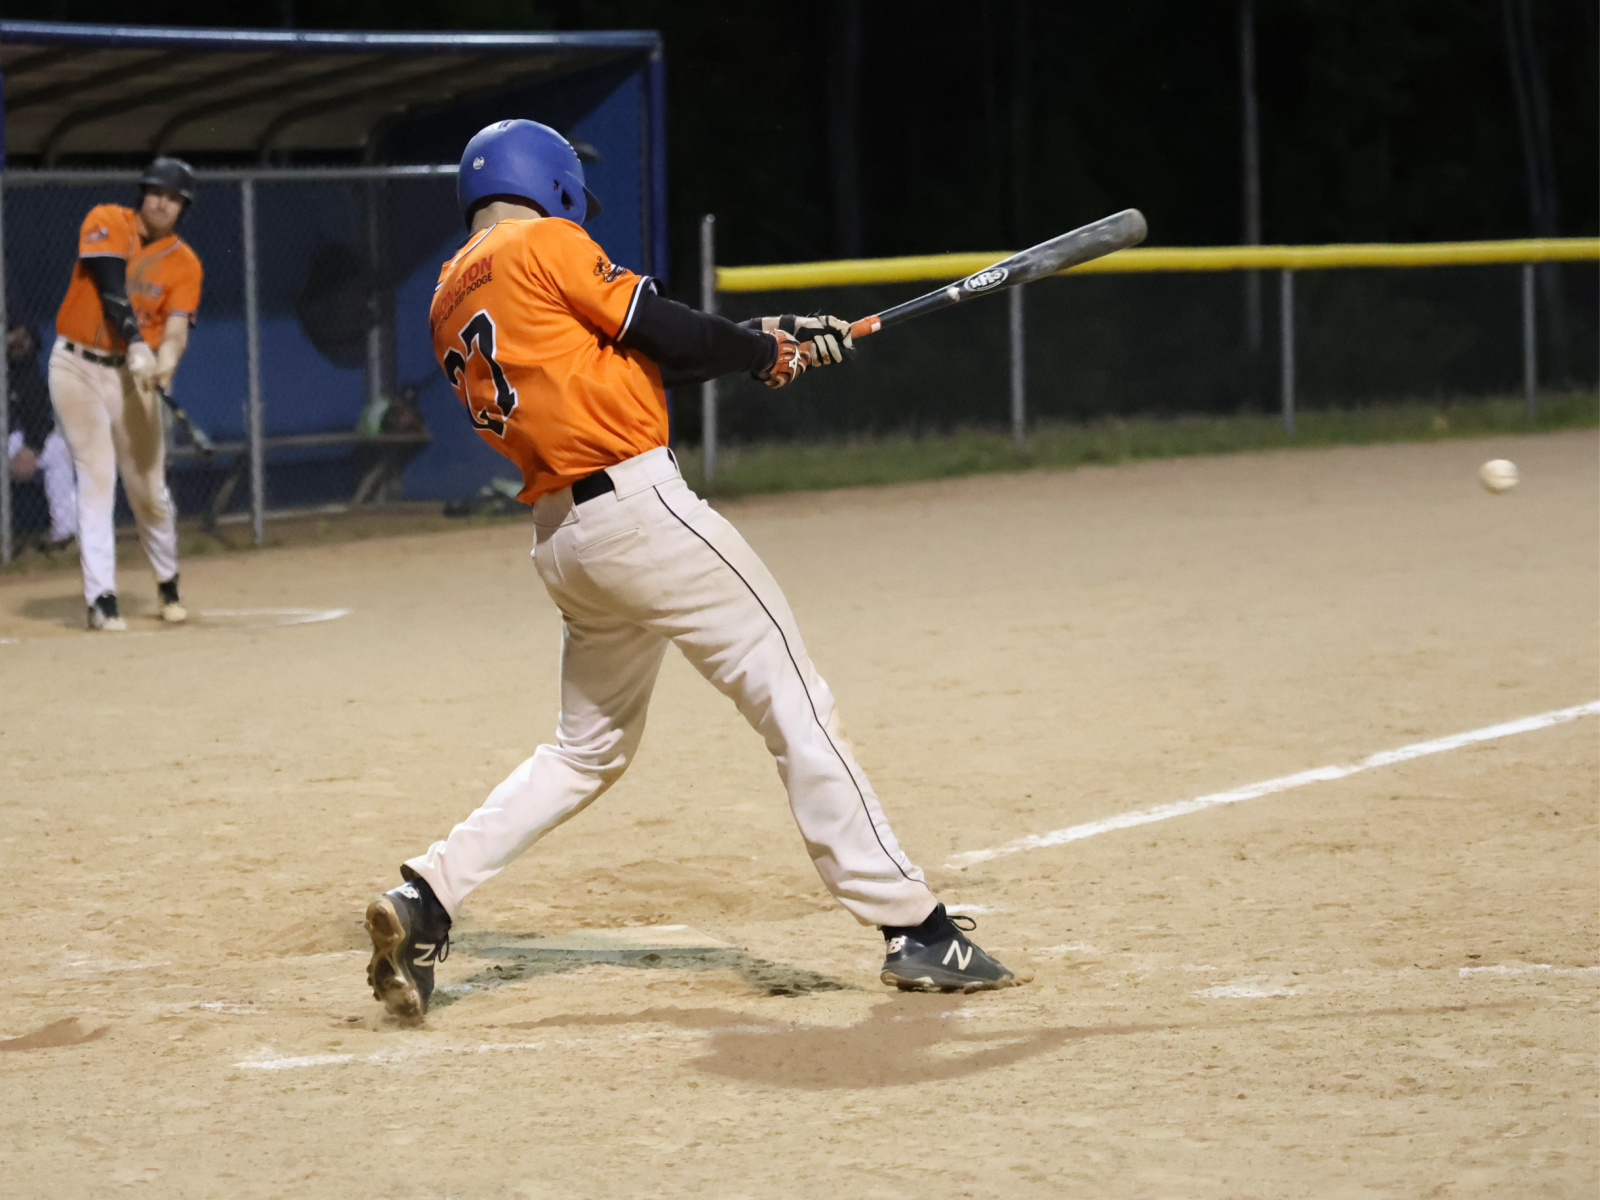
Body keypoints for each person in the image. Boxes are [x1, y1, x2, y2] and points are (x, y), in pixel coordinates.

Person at [365, 120, 1026, 1023]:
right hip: (642, 515)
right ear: (549, 181)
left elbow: (612, 366)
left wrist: (760, 340)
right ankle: (914, 927)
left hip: (566, 540)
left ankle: (426, 898)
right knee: (791, 697)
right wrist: (758, 352)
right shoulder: (546, 241)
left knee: (583, 751)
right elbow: (660, 329)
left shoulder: (449, 290)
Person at [50, 157, 203, 631]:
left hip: (132, 378)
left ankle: (167, 584)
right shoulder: (107, 220)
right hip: (76, 365)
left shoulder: (185, 264)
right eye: (156, 191)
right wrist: (137, 342)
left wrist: (166, 361)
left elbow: (176, 329)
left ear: (183, 207)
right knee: (96, 478)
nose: (162, 202)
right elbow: (110, 284)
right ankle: (102, 599)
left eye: (174, 198)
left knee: (148, 489)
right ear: (143, 192)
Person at [7, 321, 77, 550]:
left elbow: (41, 419)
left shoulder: (26, 371)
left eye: (24, 337)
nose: (20, 342)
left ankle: (65, 533)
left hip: (11, 442)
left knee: (58, 450)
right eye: (13, 337)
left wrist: (31, 449)